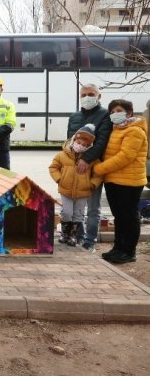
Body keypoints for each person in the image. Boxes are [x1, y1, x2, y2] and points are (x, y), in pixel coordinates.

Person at [93, 100, 148, 264]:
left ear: (129, 112)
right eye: (112, 112)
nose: (114, 114)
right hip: (113, 180)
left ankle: (129, 251)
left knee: (129, 217)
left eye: (119, 110)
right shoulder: (116, 129)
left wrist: (99, 169)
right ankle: (118, 248)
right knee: (119, 217)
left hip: (130, 182)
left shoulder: (135, 131)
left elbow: (125, 157)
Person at [66, 84, 111, 252]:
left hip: (93, 166)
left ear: (99, 96)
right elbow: (69, 141)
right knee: (77, 206)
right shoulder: (74, 116)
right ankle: (78, 236)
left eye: (91, 94)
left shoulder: (105, 115)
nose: (87, 97)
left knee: (93, 207)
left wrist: (86, 159)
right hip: (74, 168)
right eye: (83, 94)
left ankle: (90, 240)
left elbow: (101, 142)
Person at [49, 124, 102, 246]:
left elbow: (98, 174)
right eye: (79, 142)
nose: (81, 146)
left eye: (85, 145)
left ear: (89, 146)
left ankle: (73, 236)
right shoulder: (61, 155)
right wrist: (59, 179)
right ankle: (64, 234)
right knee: (67, 212)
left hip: (83, 192)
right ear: (73, 140)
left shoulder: (92, 159)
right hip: (65, 190)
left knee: (78, 215)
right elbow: (53, 168)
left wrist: (92, 184)